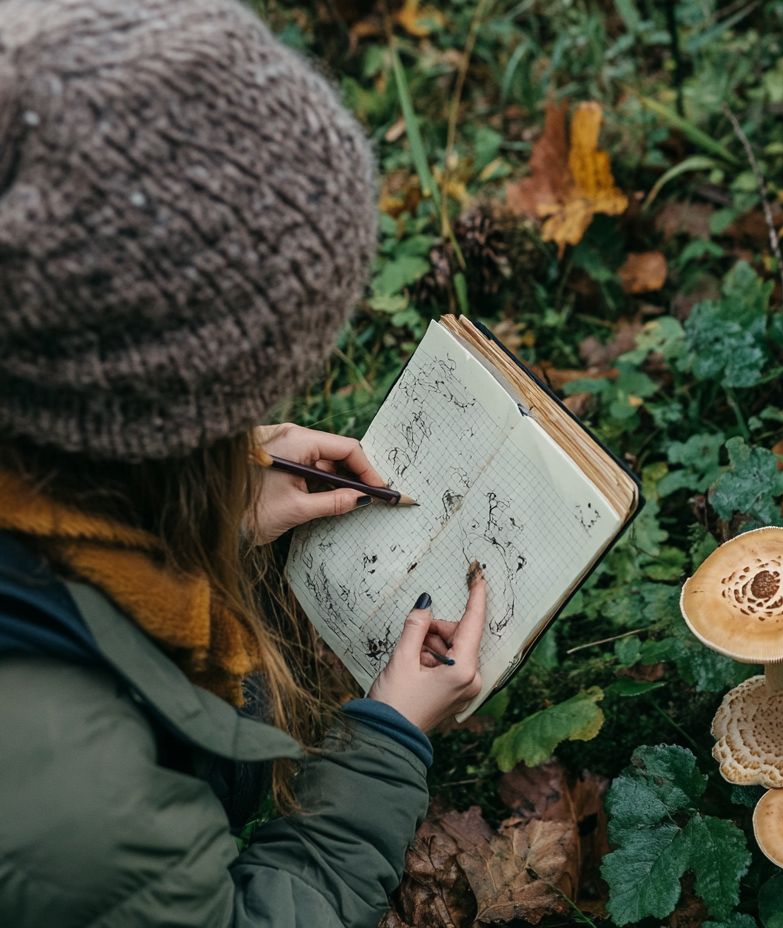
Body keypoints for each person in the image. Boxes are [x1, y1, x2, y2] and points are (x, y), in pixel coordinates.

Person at [0, 1, 483, 924]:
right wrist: (386, 740)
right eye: (232, 407)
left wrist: (205, 503)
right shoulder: (65, 799)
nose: (254, 422)